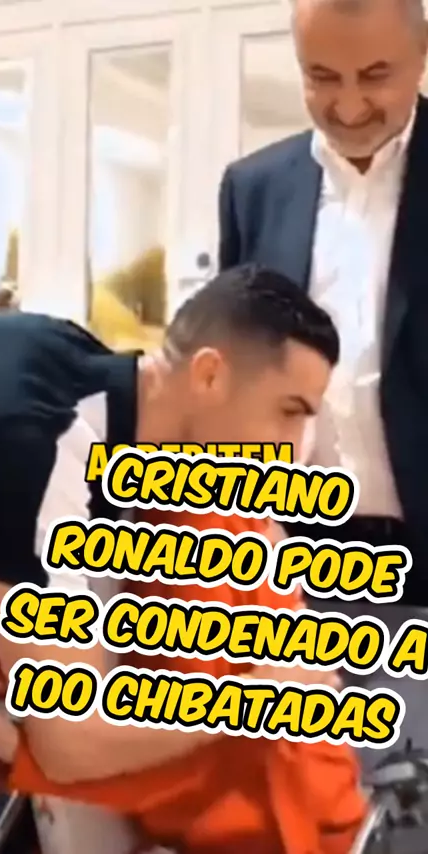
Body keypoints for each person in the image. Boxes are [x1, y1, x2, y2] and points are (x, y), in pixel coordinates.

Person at [0, 266, 344, 830]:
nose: (294, 449)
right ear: (208, 375)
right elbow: (68, 746)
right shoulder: (40, 446)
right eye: (288, 412)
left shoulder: (88, 380)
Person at [218, 0, 428, 765]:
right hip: (295, 569)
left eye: (375, 75)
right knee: (306, 799)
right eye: (322, 77)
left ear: (422, 55)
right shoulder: (253, 188)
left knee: (411, 802)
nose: (349, 105)